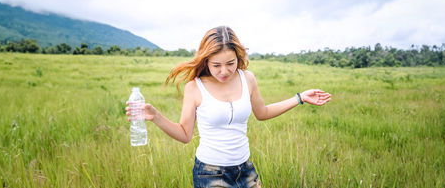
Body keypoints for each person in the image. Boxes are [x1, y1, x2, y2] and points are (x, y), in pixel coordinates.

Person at [126, 26, 332, 188]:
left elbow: (263, 113)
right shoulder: (194, 88)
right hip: (210, 173)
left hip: (245, 169)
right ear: (206, 61)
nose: (224, 71)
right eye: (216, 65)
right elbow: (185, 135)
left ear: (238, 58)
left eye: (230, 63)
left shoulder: (247, 78)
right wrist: (155, 116)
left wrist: (299, 98)